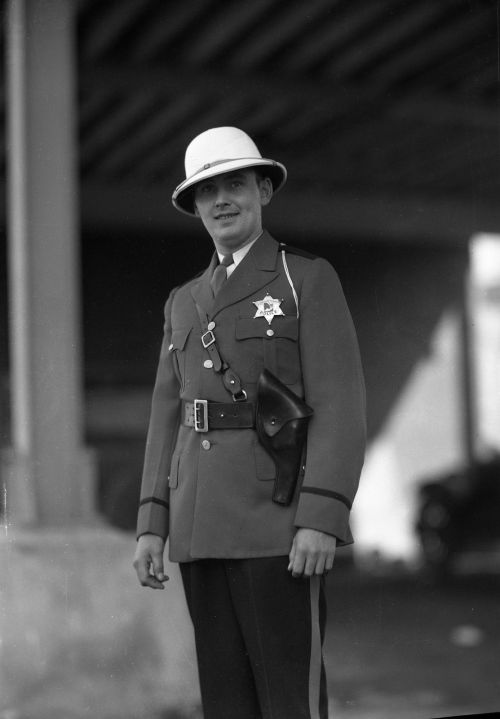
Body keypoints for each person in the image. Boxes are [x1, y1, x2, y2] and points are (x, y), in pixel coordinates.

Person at [133, 126, 366, 719]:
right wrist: (151, 522)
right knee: (226, 703)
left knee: (289, 701)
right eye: (206, 192)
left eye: (234, 184)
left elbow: (340, 402)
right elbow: (168, 416)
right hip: (197, 523)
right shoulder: (182, 301)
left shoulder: (304, 279)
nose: (221, 201)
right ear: (195, 209)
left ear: (263, 189)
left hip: (277, 523)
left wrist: (321, 515)